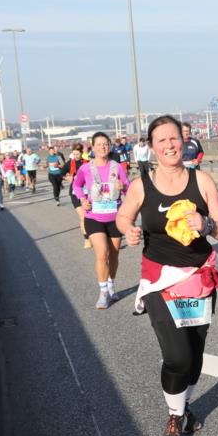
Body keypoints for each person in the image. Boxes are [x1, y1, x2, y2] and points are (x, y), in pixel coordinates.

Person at [116, 115, 218, 436]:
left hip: (198, 277)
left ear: (183, 142)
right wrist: (129, 230)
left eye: (174, 138)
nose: (169, 145)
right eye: (161, 140)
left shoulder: (202, 180)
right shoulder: (142, 185)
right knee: (178, 356)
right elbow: (123, 216)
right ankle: (174, 416)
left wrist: (207, 224)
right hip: (160, 280)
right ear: (151, 147)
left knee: (194, 354)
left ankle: (183, 407)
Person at [73, 132, 130, 309]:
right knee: (102, 253)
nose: (102, 147)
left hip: (115, 217)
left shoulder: (117, 167)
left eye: (105, 144)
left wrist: (123, 186)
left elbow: (129, 189)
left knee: (114, 254)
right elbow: (76, 185)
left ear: (110, 146)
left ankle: (111, 285)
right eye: (99, 144)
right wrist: (82, 199)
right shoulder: (85, 168)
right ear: (93, 147)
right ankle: (103, 292)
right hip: (94, 217)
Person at [65, 145, 90, 248]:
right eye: (74, 154)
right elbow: (62, 173)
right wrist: (67, 177)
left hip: (87, 193)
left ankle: (95, 234)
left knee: (89, 216)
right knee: (82, 216)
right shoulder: (70, 163)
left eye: (78, 154)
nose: (76, 156)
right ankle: (87, 239)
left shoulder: (87, 163)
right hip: (74, 193)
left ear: (81, 153)